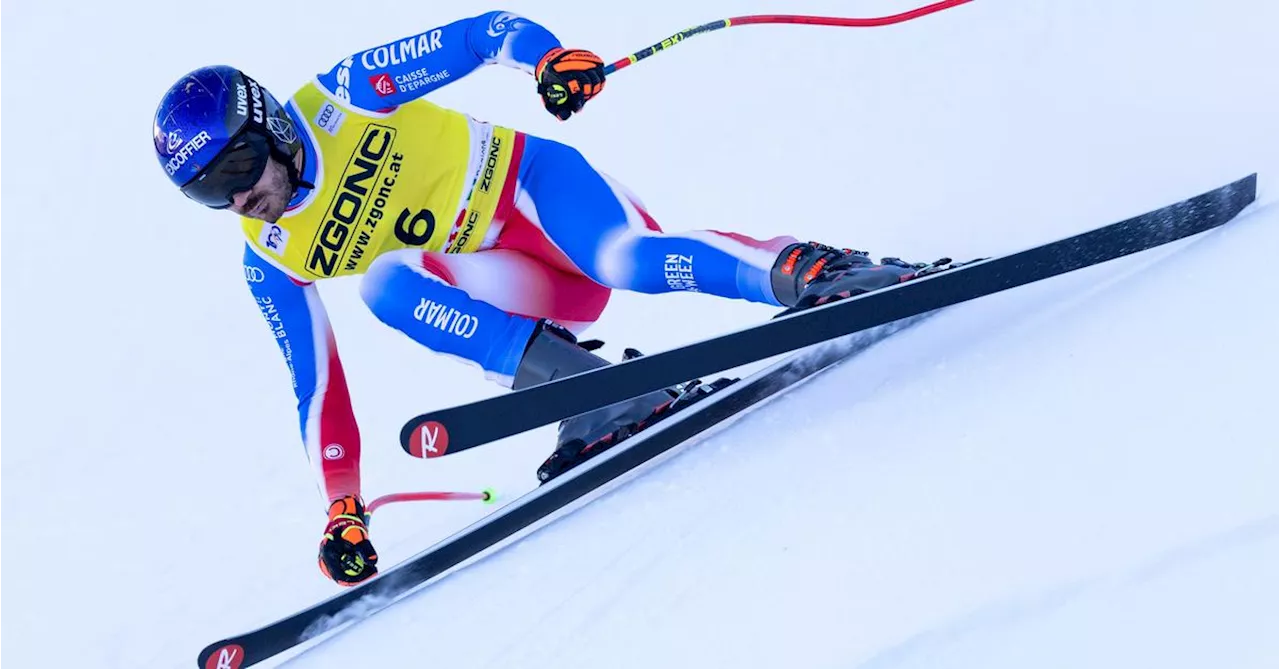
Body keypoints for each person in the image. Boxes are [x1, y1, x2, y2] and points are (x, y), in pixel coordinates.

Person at [152, 10, 943, 587]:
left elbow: (479, 34)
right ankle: (585, 390)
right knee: (383, 284)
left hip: (537, 192)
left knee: (624, 257)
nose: (239, 198)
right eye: (208, 194)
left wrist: (546, 60)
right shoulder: (268, 256)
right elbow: (317, 387)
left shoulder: (343, 97)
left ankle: (812, 272)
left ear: (269, 127)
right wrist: (342, 506)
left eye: (238, 168)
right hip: (504, 276)